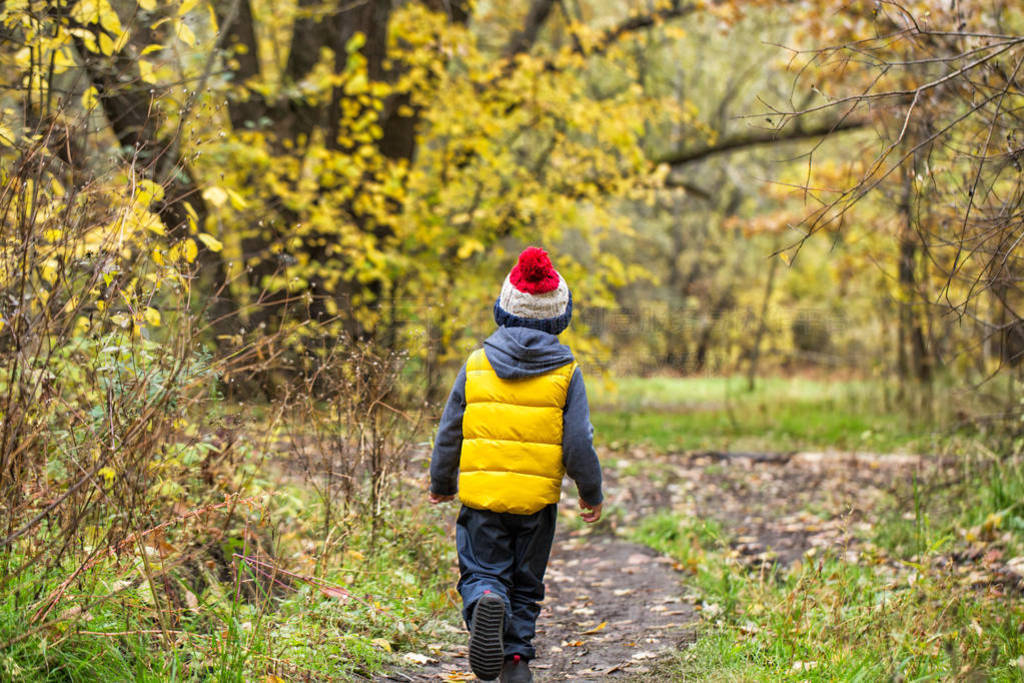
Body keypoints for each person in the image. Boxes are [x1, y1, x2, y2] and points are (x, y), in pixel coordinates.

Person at [428, 246, 604, 683]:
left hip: (483, 500)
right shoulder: (567, 371)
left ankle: (487, 596)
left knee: (483, 570)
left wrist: (441, 481)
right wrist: (590, 492)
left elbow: (451, 429)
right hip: (536, 505)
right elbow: (578, 442)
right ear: (558, 317)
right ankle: (516, 663)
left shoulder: (476, 363)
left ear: (503, 309)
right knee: (526, 585)